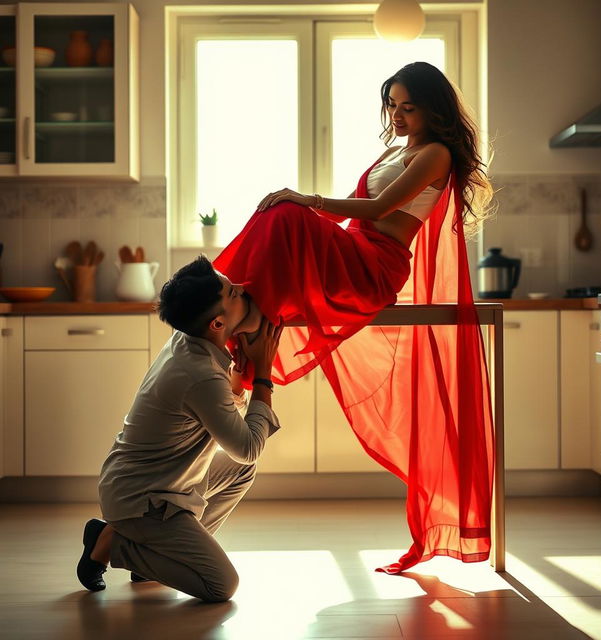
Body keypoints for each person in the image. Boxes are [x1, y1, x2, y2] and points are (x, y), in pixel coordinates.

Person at [214, 61, 496, 574]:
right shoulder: (396, 149)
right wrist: (304, 227)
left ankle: (228, 316)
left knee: (287, 211)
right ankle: (236, 320)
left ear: (434, 108)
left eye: (409, 106)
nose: (399, 115)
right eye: (392, 105)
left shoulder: (435, 155)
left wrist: (306, 202)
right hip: (353, 250)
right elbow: (345, 221)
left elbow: (381, 207)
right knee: (280, 215)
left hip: (377, 264)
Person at [76, 256, 283, 601]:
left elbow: (230, 431)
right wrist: (263, 372)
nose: (244, 290)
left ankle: (158, 556)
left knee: (239, 471)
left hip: (161, 482)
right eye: (234, 293)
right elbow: (247, 445)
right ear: (217, 323)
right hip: (141, 500)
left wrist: (239, 376)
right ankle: (112, 544)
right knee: (221, 586)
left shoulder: (189, 340)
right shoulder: (199, 373)